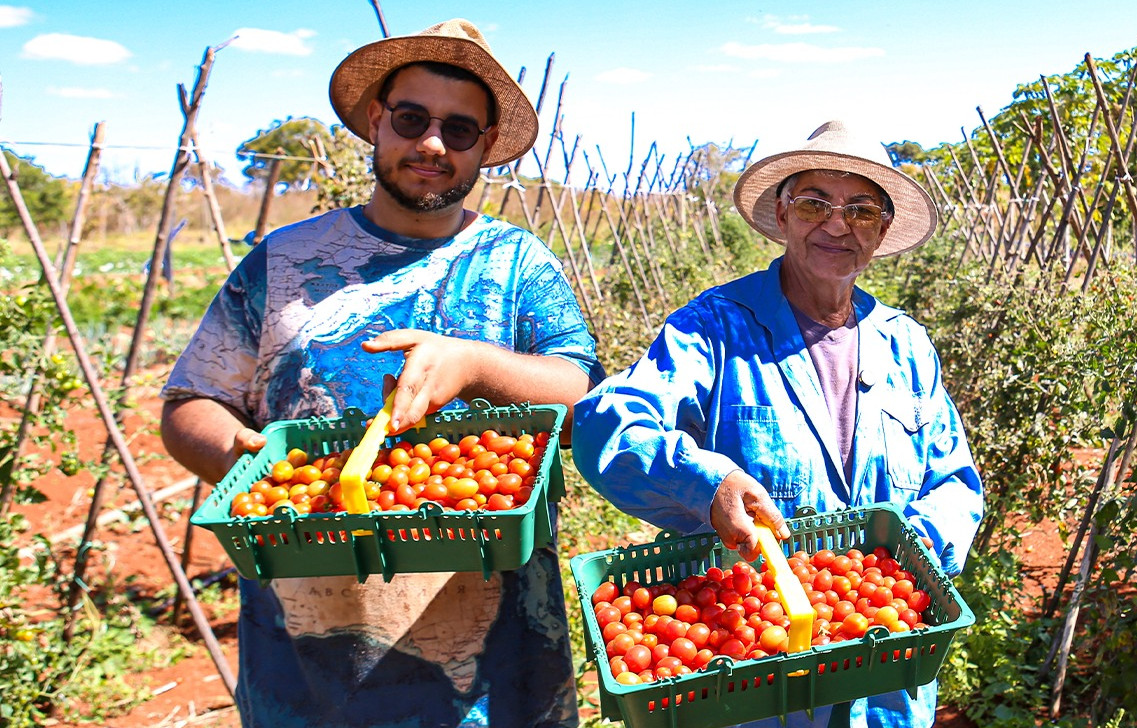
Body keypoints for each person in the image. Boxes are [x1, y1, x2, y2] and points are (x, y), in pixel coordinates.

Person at [160, 19, 599, 728]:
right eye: (412, 118)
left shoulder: (519, 265)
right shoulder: (281, 262)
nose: (432, 143)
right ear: (376, 120)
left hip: (492, 671)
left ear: (486, 145)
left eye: (459, 130)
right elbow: (191, 402)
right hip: (308, 657)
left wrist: (478, 365)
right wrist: (243, 459)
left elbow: (582, 396)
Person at [570, 120, 983, 728]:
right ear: (783, 215)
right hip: (749, 662)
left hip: (883, 676)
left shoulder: (906, 345)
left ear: (883, 231)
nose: (837, 224)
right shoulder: (712, 328)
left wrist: (903, 562)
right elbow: (609, 423)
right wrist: (705, 483)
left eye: (862, 209)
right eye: (815, 202)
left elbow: (954, 481)